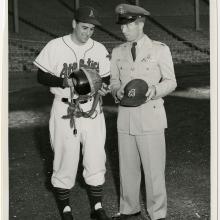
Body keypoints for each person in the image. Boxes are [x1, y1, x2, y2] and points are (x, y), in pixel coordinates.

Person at [33, 6, 111, 220]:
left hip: (92, 108)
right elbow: (41, 76)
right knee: (65, 157)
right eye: (84, 27)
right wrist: (62, 81)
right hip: (64, 107)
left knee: (96, 156)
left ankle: (97, 208)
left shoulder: (99, 48)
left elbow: (105, 78)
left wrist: (104, 86)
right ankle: (66, 210)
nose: (88, 33)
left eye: (92, 29)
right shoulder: (56, 46)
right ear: (74, 23)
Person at [110, 4, 177, 220]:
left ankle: (157, 213)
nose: (123, 30)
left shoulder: (159, 49)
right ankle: (129, 209)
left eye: (128, 25)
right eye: (122, 26)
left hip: (151, 117)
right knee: (127, 169)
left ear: (140, 23)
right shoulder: (118, 52)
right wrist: (116, 91)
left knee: (153, 171)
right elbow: (113, 82)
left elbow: (171, 81)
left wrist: (154, 90)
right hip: (125, 118)